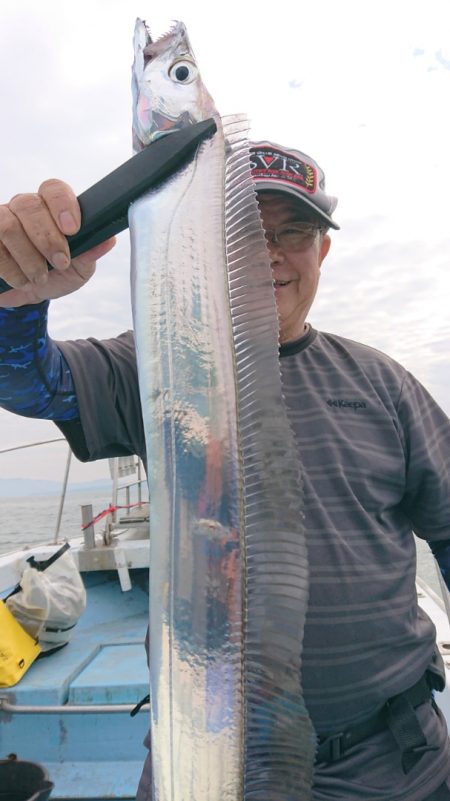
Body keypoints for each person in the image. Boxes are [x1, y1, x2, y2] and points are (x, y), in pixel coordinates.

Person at [1, 140, 450, 801]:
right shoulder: (158, 364)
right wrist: (16, 301)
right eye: (244, 230)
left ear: (322, 250)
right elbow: (28, 381)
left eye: (293, 232)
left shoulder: (384, 384)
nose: (269, 252)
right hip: (206, 758)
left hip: (393, 762)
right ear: (212, 248)